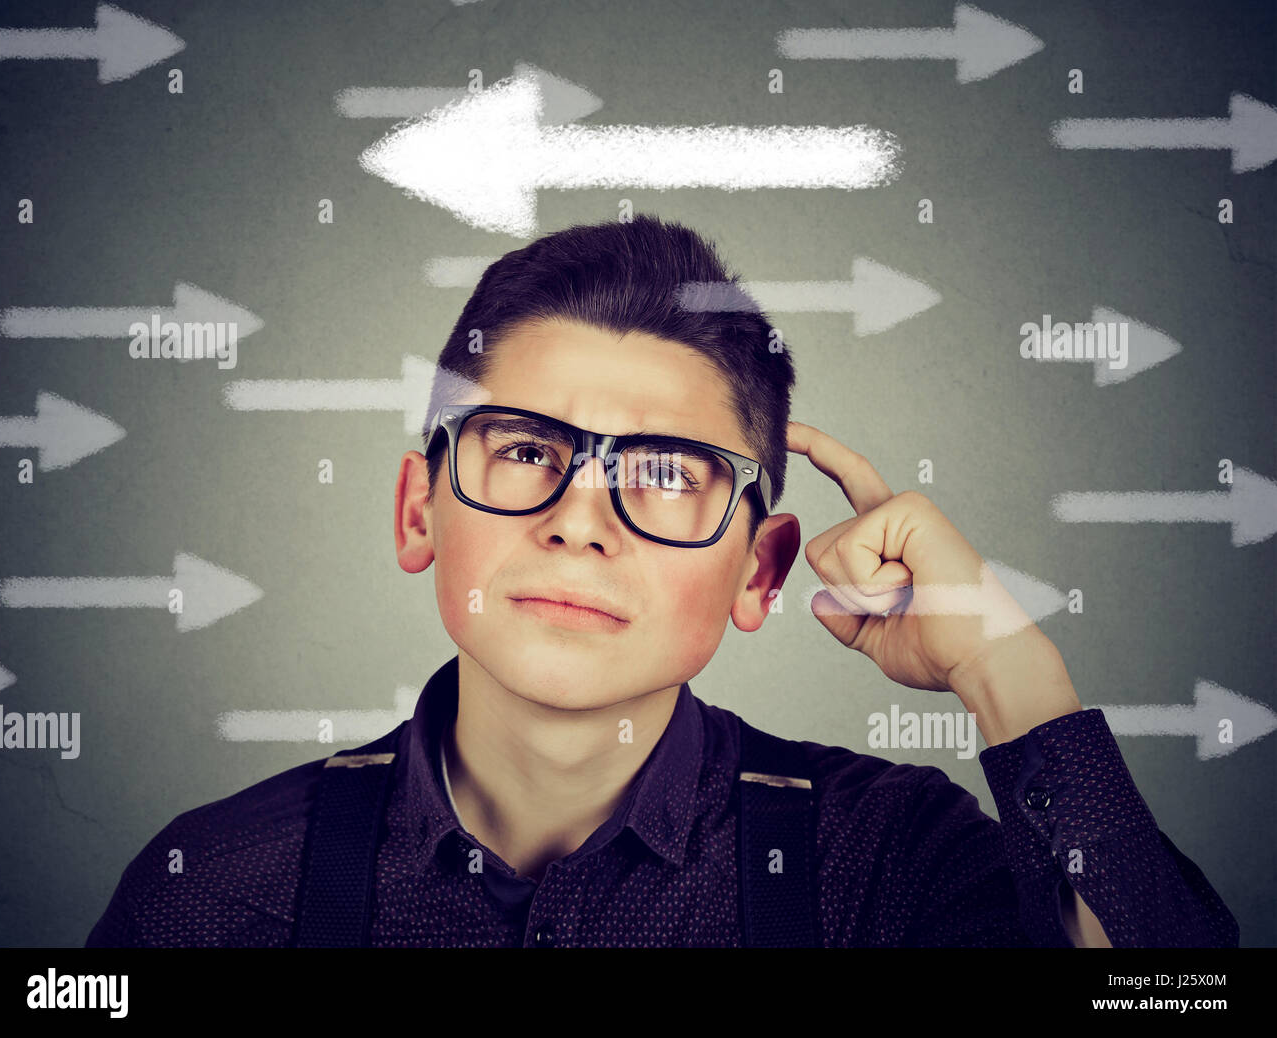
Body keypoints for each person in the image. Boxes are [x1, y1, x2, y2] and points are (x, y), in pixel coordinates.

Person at [85, 214, 1239, 947]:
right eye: (526, 452)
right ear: (415, 508)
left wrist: (1005, 667)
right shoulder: (212, 891)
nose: (580, 522)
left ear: (760, 568)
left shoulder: (887, 869)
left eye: (666, 474)